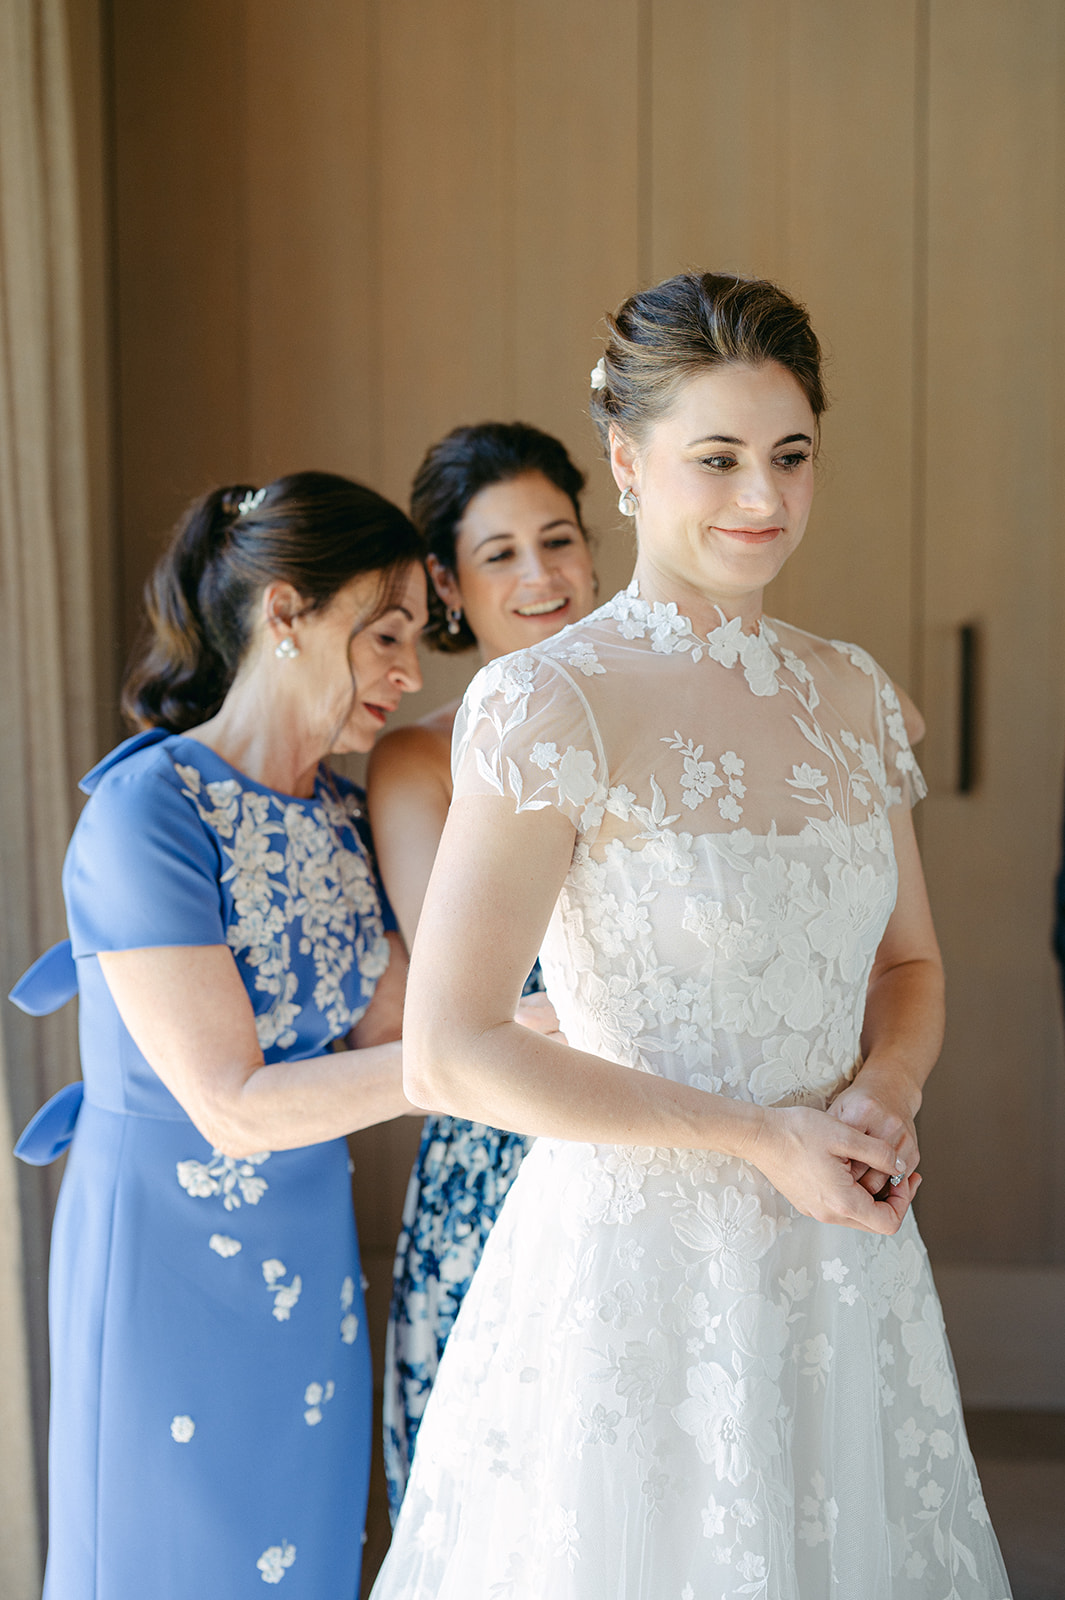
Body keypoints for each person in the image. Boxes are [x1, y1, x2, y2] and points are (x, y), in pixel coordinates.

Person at [369, 275, 1012, 1597]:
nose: (761, 501)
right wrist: (763, 1137)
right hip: (637, 1274)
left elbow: (909, 965)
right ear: (625, 459)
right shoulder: (551, 705)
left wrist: (879, 1102)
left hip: (843, 1255)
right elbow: (448, 1053)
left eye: (789, 456)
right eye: (715, 459)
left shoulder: (853, 697)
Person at [10, 473, 429, 1599]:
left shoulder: (345, 814)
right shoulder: (148, 811)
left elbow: (399, 1028)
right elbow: (231, 1103)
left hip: (312, 1263)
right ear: (286, 613)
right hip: (160, 1255)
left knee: (300, 1553)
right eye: (383, 634)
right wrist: (479, 1047)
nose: (410, 670)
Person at [366, 422, 598, 1517]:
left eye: (557, 538)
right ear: (449, 586)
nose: (541, 575)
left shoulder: (672, 718)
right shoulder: (421, 759)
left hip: (684, 1120)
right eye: (499, 553)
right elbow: (470, 1000)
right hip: (504, 1154)